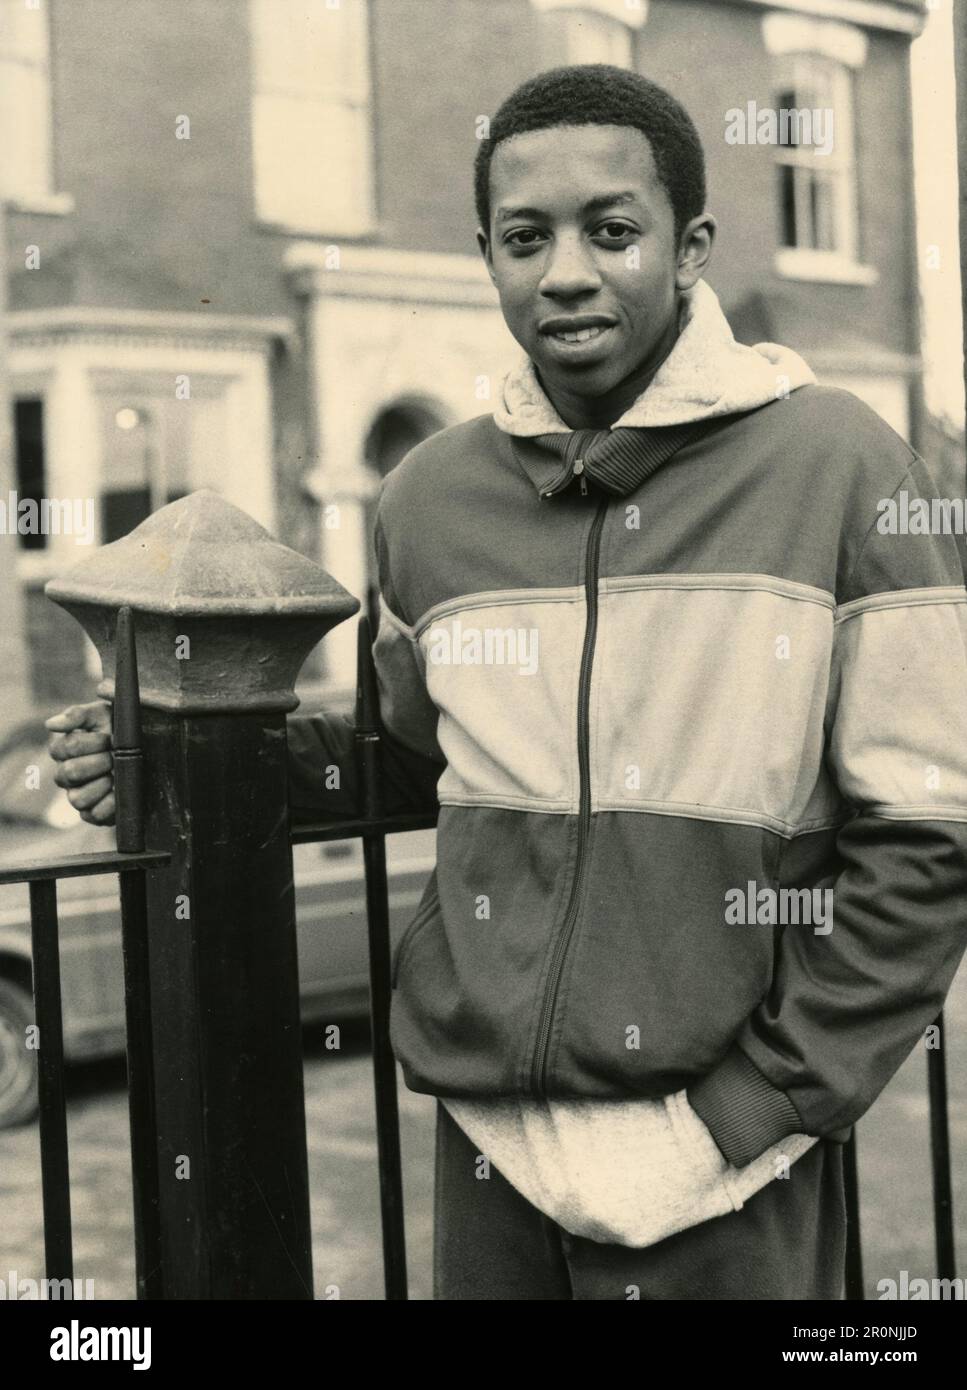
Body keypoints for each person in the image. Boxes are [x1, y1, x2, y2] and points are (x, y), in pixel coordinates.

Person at [47, 65, 967, 1301]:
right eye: (526, 237)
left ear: (691, 246)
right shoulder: (426, 499)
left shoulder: (844, 467)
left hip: (735, 1165)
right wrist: (172, 757)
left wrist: (752, 1109)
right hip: (492, 1153)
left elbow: (928, 835)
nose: (568, 271)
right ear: (487, 253)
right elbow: (411, 756)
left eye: (614, 229)